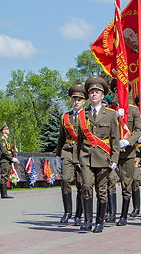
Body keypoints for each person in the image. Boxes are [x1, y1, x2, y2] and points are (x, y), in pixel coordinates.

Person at [77, 75, 120, 233]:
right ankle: (88, 221)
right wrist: (77, 159)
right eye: (91, 92)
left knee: (101, 191)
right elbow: (80, 140)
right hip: (86, 156)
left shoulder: (110, 114)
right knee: (86, 186)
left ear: (103, 96)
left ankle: (100, 222)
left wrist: (115, 159)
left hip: (103, 157)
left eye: (97, 92)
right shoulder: (83, 114)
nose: (94, 94)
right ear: (88, 95)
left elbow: (115, 139)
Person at [110, 80, 141, 226]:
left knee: (126, 183)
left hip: (127, 152)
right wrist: (114, 116)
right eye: (116, 91)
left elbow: (138, 130)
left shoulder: (134, 110)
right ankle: (110, 213)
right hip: (110, 153)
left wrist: (129, 141)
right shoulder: (109, 110)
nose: (119, 94)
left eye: (122, 91)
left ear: (127, 93)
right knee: (109, 182)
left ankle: (123, 215)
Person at [57, 83, 86, 225]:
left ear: (84, 101)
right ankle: (67, 212)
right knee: (66, 180)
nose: (76, 102)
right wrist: (58, 156)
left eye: (79, 100)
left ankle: (78, 215)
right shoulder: (65, 117)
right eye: (74, 99)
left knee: (81, 184)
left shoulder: (87, 116)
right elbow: (61, 137)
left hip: (82, 153)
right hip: (67, 151)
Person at [0, 123, 18, 199]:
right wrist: (11, 158)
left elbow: (9, 149)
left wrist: (14, 150)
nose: (8, 130)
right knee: (4, 176)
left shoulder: (7, 139)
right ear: (3, 131)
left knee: (6, 176)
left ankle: (5, 193)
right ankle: (3, 194)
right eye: (6, 129)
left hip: (7, 160)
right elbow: (4, 151)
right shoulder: (2, 140)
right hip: (5, 160)